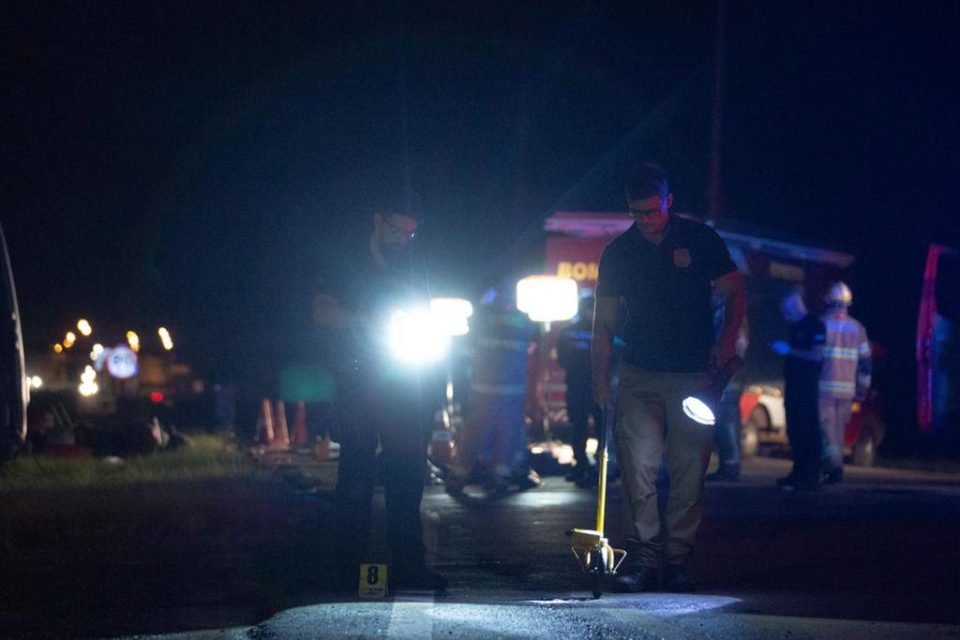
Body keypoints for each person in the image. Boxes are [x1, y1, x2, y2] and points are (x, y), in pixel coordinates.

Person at [592, 163, 746, 593]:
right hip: (639, 375)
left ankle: (678, 559)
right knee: (638, 469)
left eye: (652, 211)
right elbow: (602, 322)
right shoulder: (619, 252)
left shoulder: (700, 239)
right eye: (637, 214)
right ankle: (642, 557)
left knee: (688, 471)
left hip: (694, 377)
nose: (646, 221)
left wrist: (728, 340)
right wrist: (599, 379)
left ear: (668, 202)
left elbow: (736, 292)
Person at [313, 188, 447, 593]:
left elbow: (426, 315)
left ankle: (409, 566)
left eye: (411, 233)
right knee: (356, 473)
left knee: (406, 475)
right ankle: (347, 568)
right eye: (398, 230)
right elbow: (320, 311)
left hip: (403, 379)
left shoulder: (414, 264)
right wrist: (363, 320)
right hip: (356, 377)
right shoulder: (344, 259)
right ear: (378, 221)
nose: (405, 240)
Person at [771, 291, 826, 491]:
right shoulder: (795, 326)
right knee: (794, 431)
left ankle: (810, 476)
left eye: (786, 311)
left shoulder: (815, 325)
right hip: (793, 386)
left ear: (795, 306)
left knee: (807, 431)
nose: (784, 315)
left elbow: (816, 355)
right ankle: (797, 473)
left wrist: (789, 351)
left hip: (807, 388)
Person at [819, 282, 871, 485]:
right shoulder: (858, 328)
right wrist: (862, 389)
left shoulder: (822, 323)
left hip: (823, 388)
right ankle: (835, 467)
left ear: (830, 301)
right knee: (838, 431)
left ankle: (833, 468)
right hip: (847, 391)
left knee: (826, 431)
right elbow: (866, 363)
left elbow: (814, 358)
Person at [556, 294, 602, 487]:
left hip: (581, 385)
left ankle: (584, 466)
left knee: (581, 426)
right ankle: (594, 467)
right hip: (594, 385)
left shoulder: (569, 332)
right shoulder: (602, 331)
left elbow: (562, 358)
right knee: (595, 426)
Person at [705, 293, 749, 482]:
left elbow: (738, 344)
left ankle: (730, 466)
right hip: (722, 377)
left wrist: (724, 371)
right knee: (723, 423)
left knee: (727, 424)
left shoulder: (729, 312)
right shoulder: (722, 311)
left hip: (727, 378)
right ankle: (728, 464)